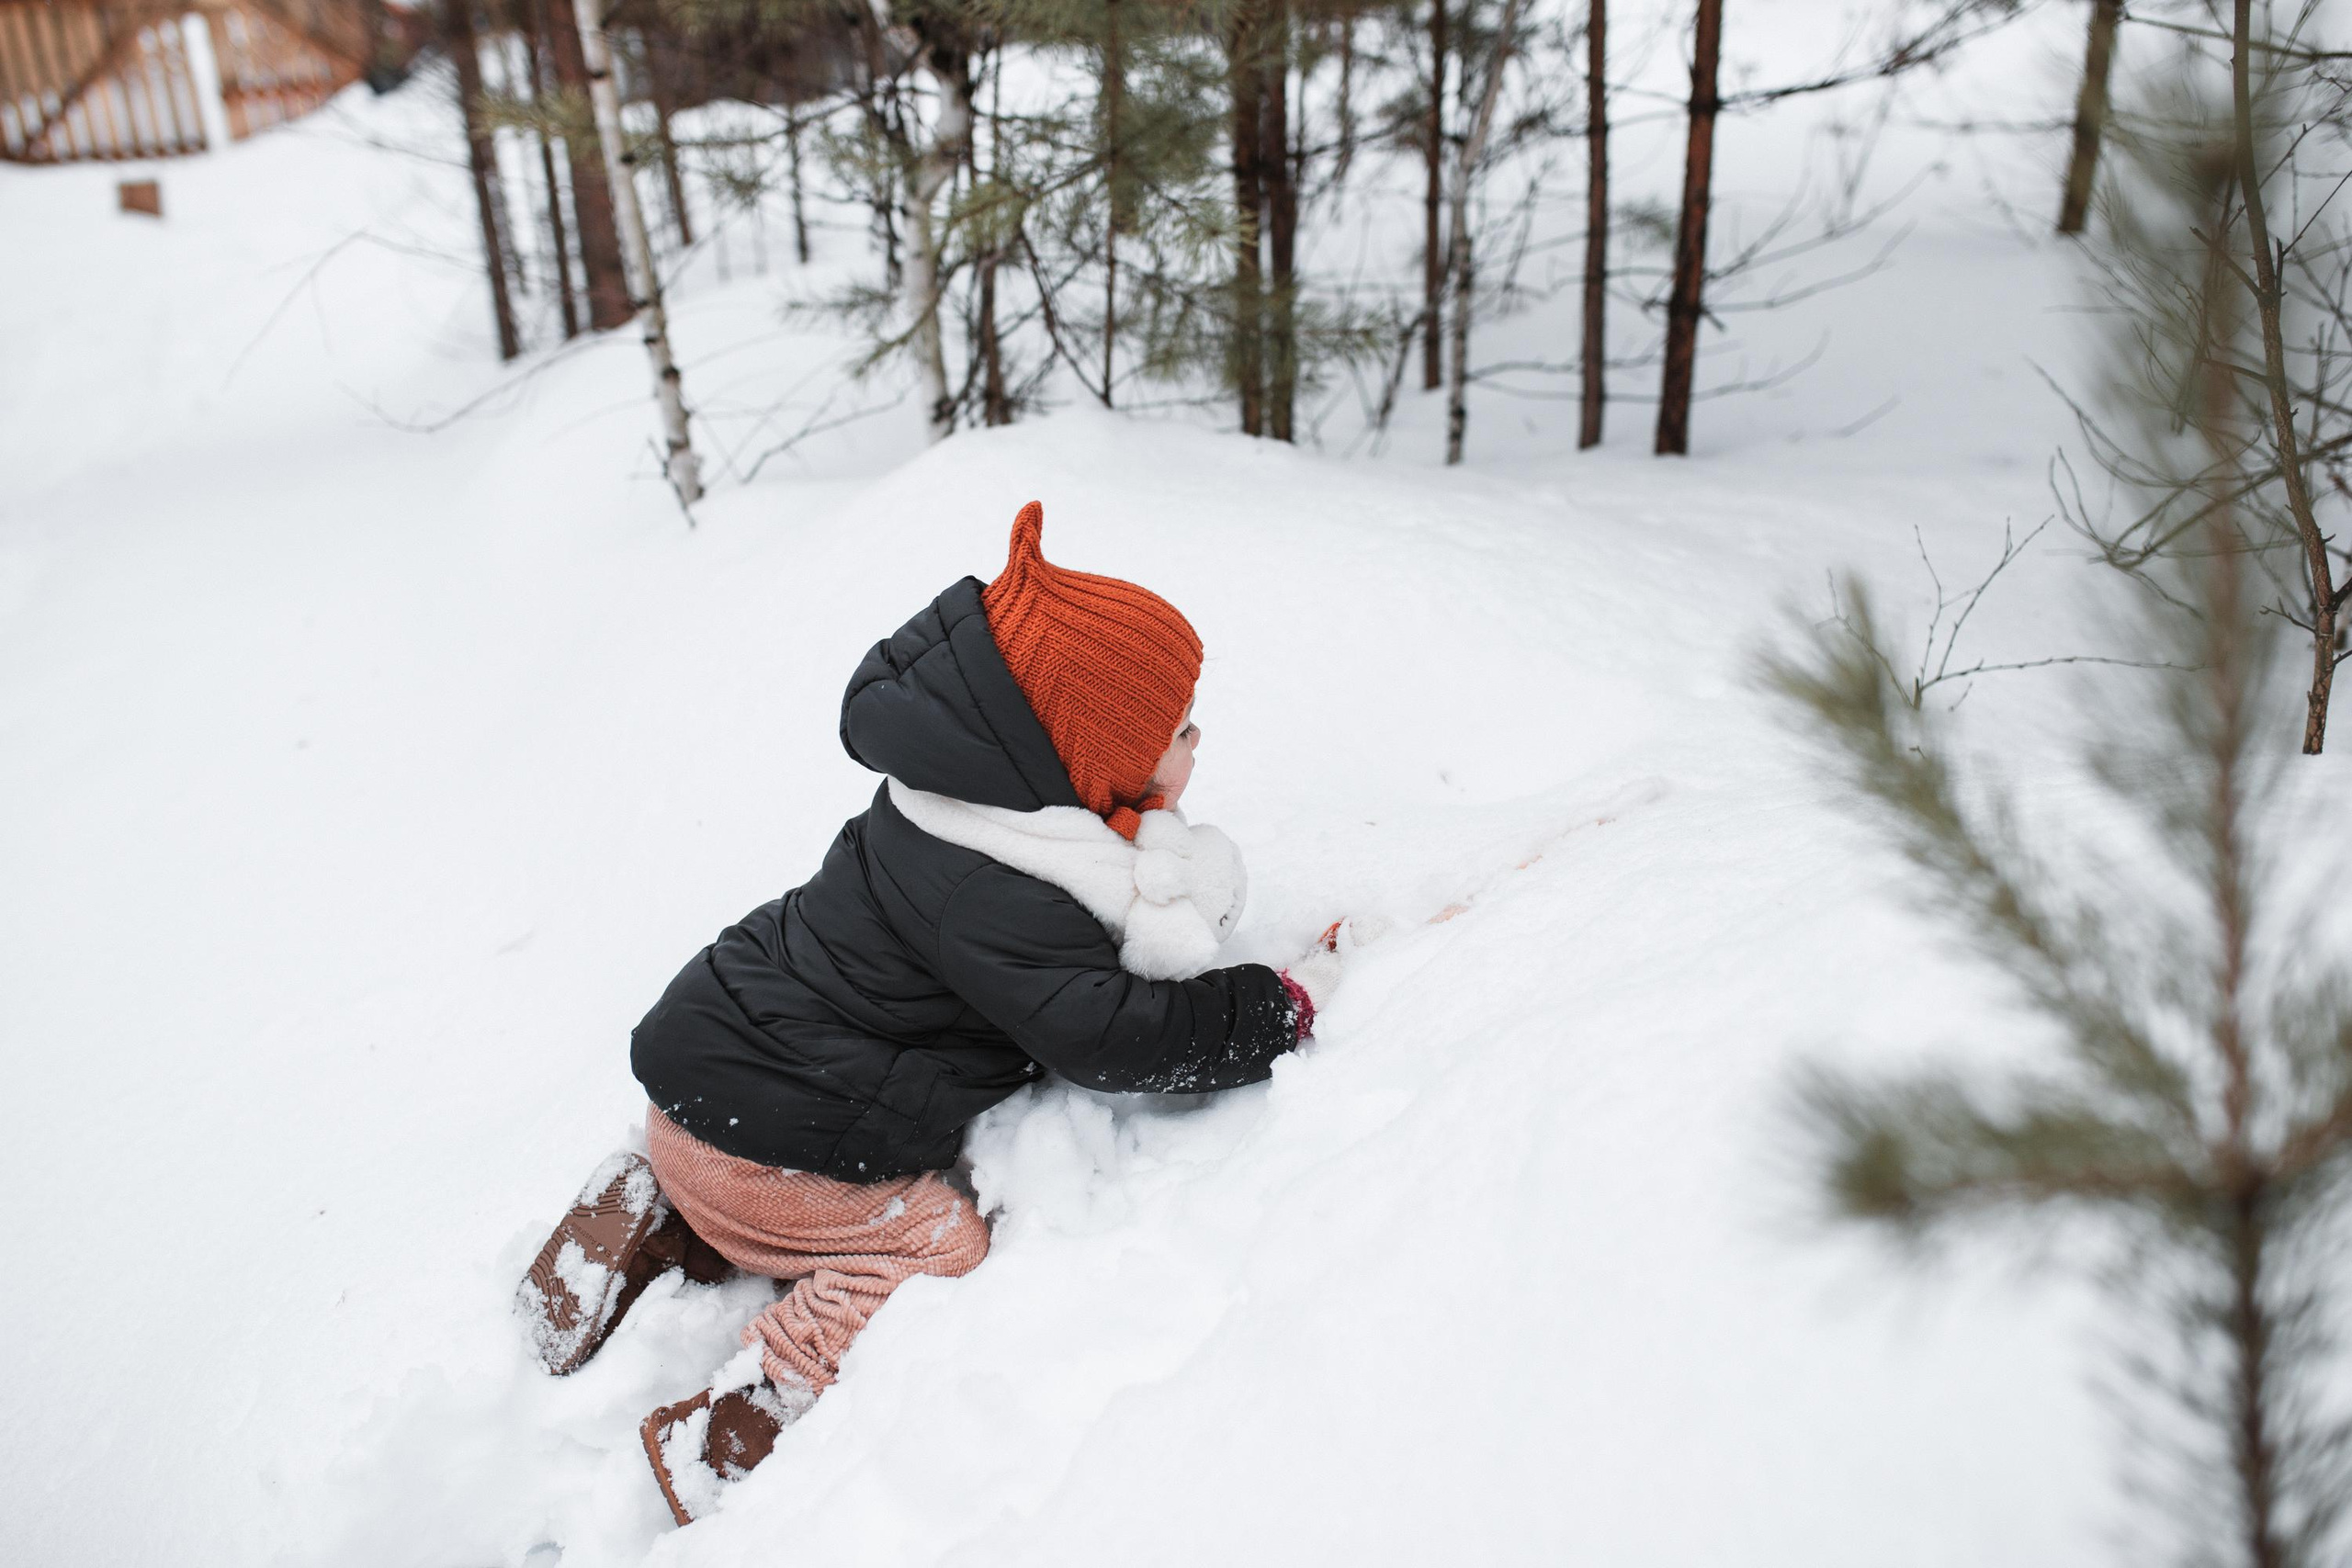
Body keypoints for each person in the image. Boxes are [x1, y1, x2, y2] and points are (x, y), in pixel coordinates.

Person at [516, 502, 1352, 1526]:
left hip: (711, 1078)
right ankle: (740, 1416)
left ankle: (660, 1211)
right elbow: (1110, 1036)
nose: (1195, 745)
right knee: (936, 1241)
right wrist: (1271, 1008)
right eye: (1177, 731)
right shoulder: (999, 890)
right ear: (1088, 752)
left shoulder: (947, 806)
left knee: (762, 1177)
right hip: (758, 1146)